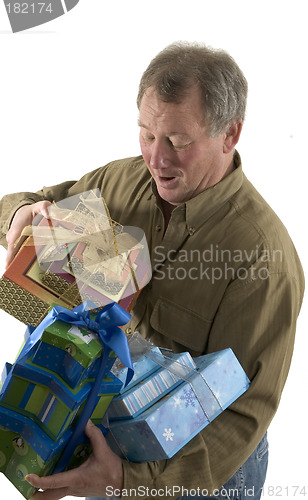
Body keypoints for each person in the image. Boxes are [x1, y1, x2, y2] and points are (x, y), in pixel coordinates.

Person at [0, 42, 305, 500]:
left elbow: (243, 416)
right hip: (110, 435)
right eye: (146, 135)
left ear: (230, 134)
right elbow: (22, 205)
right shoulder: (117, 184)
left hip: (207, 470)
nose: (156, 160)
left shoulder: (263, 257)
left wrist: (129, 484)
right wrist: (21, 215)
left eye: (178, 142)